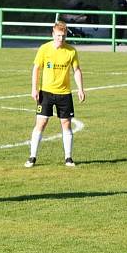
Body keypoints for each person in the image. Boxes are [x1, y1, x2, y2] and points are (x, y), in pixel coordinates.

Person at [25, 21, 85, 168]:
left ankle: (68, 158)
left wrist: (81, 89)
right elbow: (36, 69)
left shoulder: (71, 51)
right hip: (46, 92)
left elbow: (76, 70)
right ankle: (32, 157)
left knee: (66, 124)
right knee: (41, 122)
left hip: (64, 94)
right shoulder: (44, 49)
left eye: (63, 36)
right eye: (58, 36)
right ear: (53, 34)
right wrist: (34, 88)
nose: (61, 39)